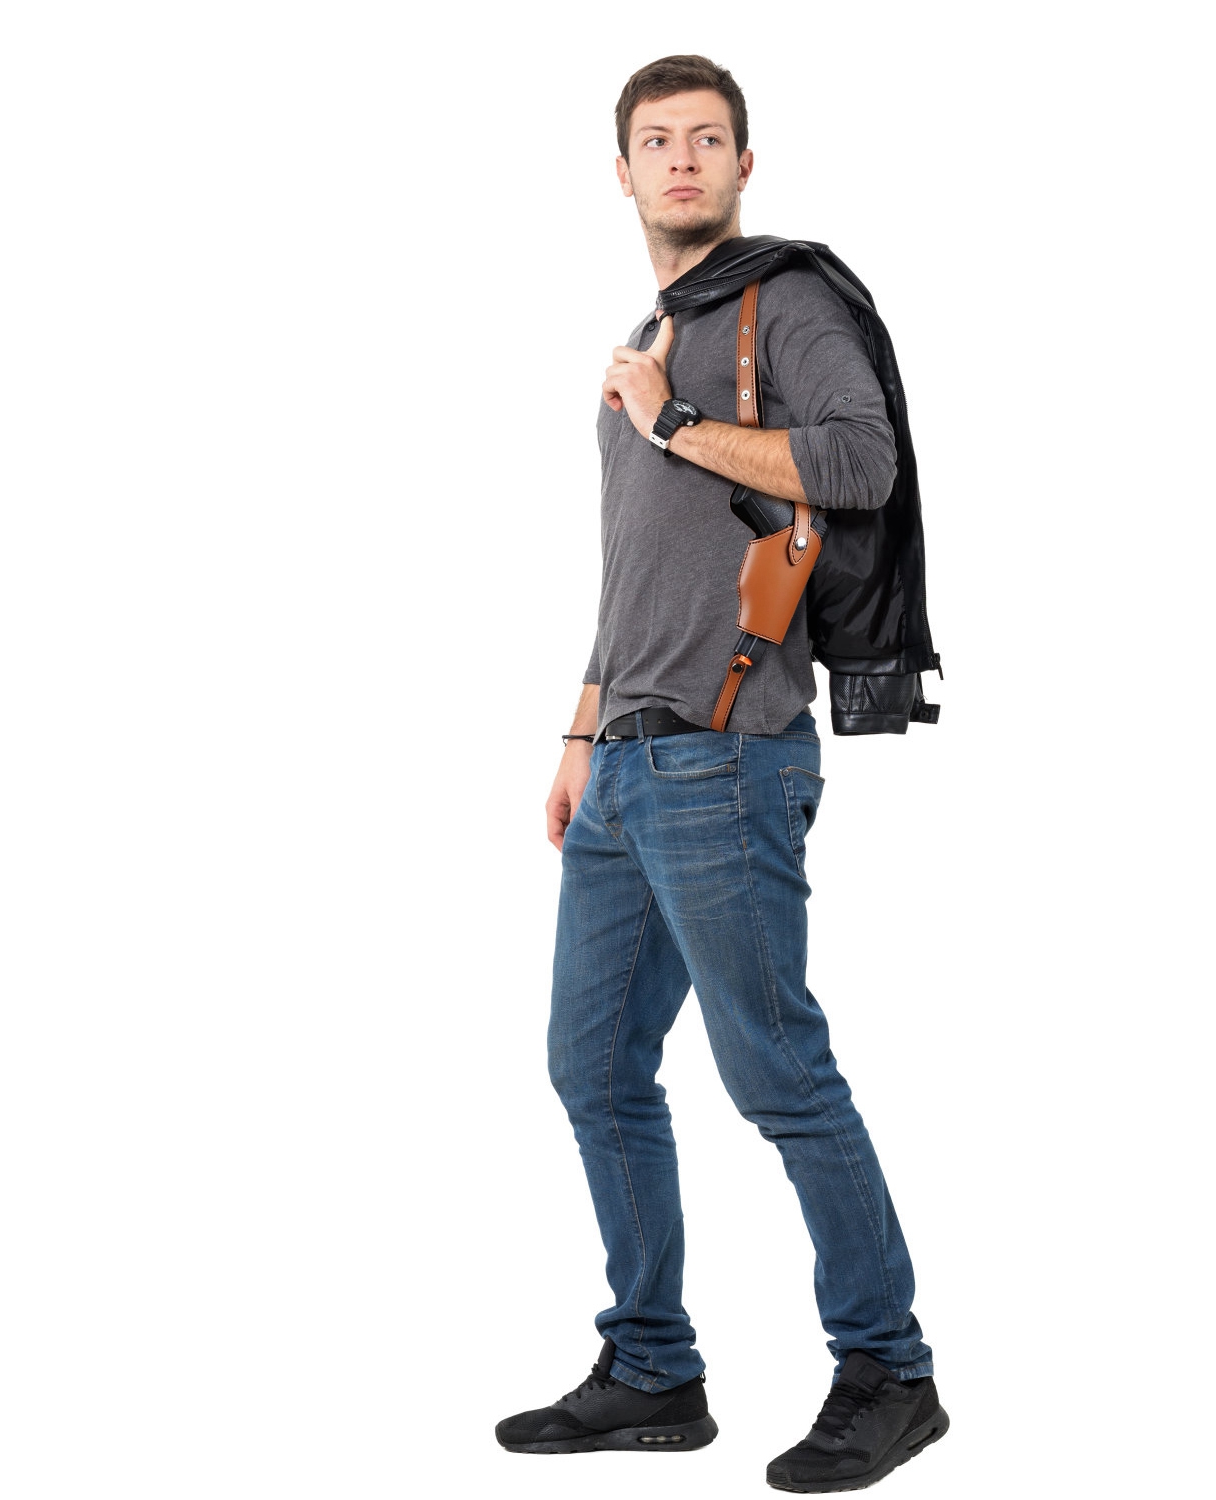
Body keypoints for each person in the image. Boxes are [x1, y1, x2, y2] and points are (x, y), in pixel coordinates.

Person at [495, 56, 949, 1493]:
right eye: (657, 140)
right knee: (591, 1066)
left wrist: (673, 420)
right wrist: (581, 734)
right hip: (629, 766)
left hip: (728, 753)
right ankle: (652, 1368)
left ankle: (890, 1369)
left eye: (707, 138)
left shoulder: (783, 301)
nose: (682, 159)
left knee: (778, 1073)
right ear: (622, 172)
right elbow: (634, 569)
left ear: (745, 163)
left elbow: (862, 464)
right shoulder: (649, 334)